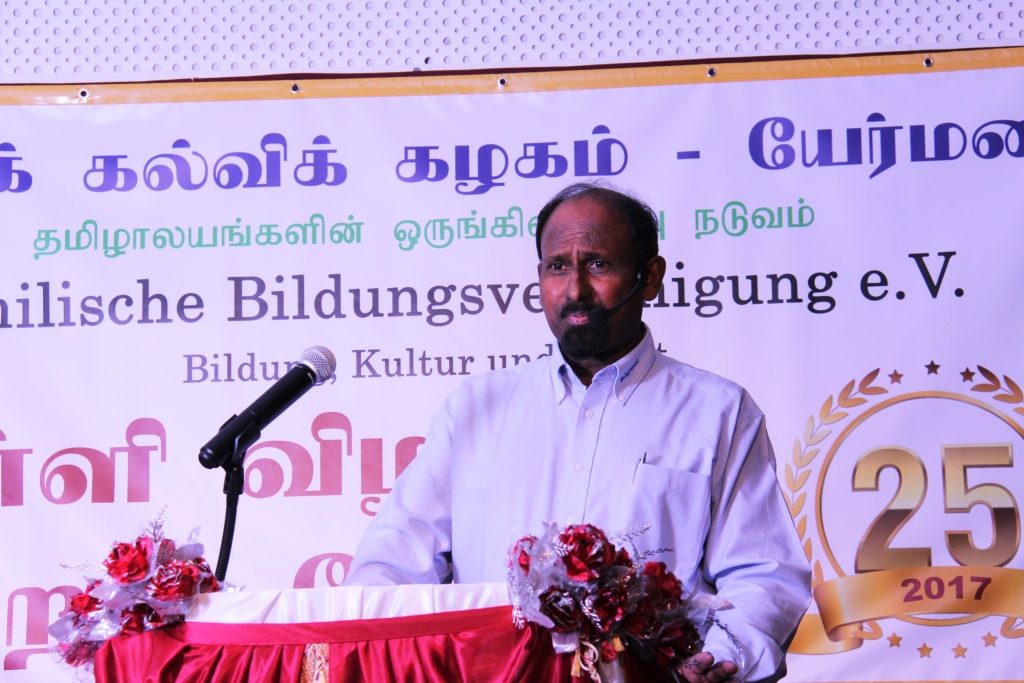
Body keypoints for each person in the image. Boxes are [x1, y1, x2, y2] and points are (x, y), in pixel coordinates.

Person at [346, 183, 811, 682]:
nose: (575, 291)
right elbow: (390, 565)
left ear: (651, 277)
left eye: (598, 264)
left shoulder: (717, 411)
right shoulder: (475, 409)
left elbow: (763, 575)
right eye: (557, 267)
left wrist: (719, 657)